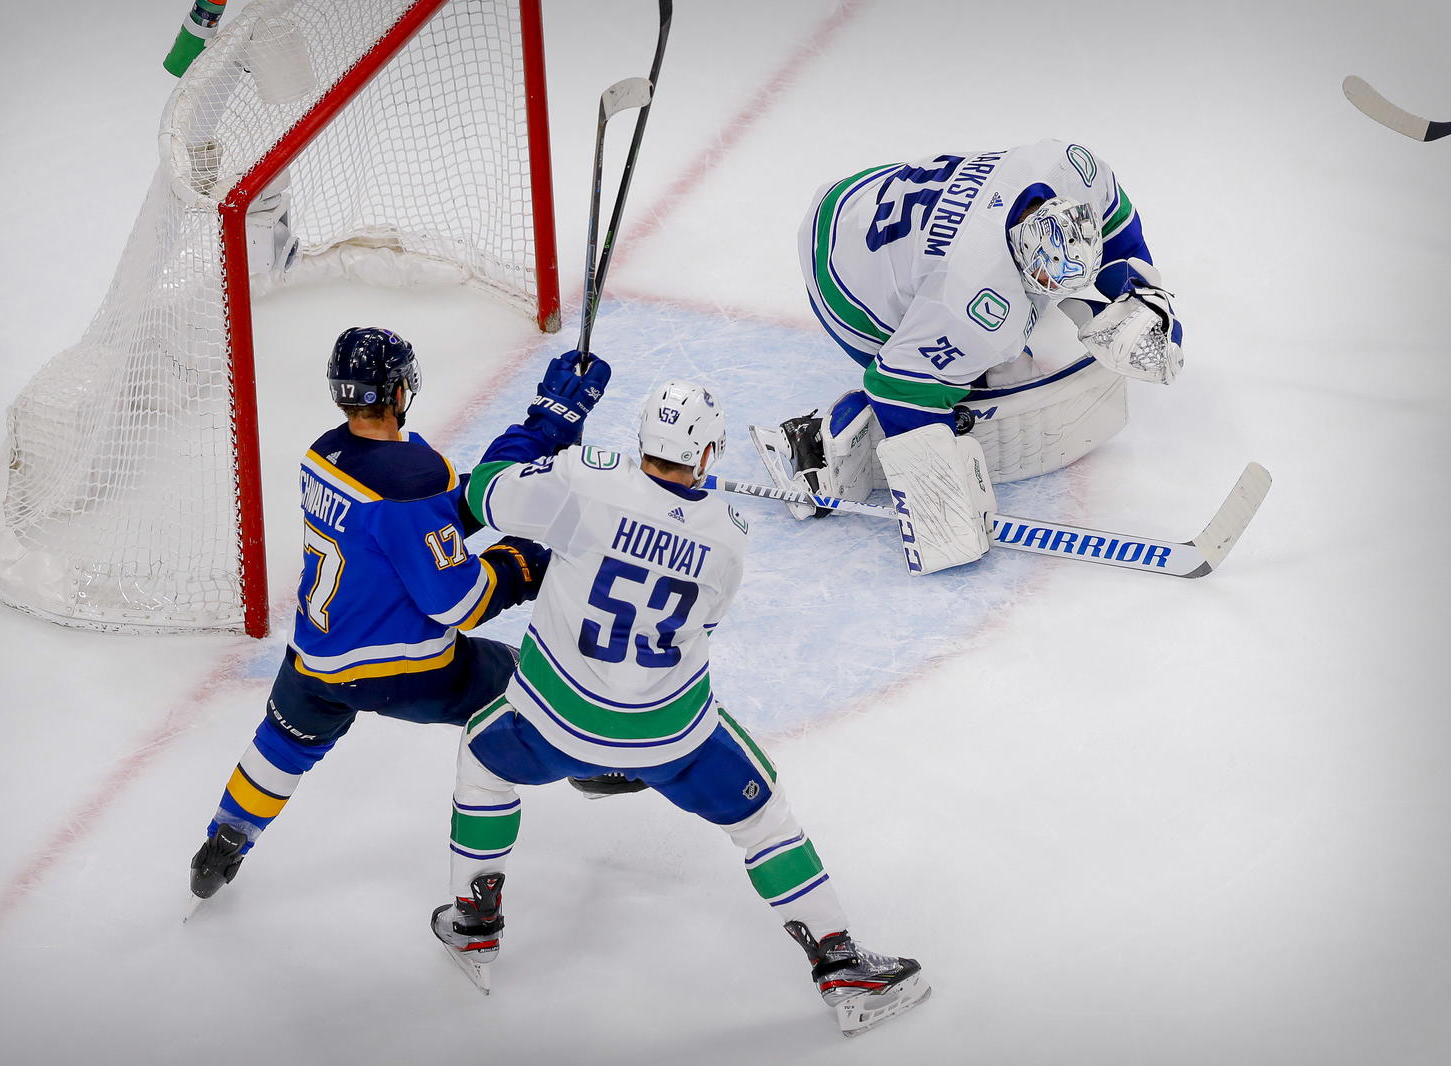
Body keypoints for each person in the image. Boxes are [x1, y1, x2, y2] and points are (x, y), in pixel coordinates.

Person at [429, 378, 932, 1037]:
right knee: (764, 819)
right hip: (670, 737)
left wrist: (548, 426)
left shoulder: (584, 480)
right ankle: (839, 964)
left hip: (555, 724)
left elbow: (481, 489)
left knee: (482, 760)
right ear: (708, 454)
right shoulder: (730, 535)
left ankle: (474, 922)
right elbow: (704, 624)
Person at [187, 328, 610, 904]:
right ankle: (597, 758)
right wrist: (529, 560)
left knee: (282, 746)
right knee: (536, 684)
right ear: (397, 388)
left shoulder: (326, 453)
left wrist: (545, 427)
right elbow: (461, 602)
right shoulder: (411, 478)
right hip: (408, 673)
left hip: (315, 660)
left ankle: (225, 839)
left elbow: (433, 517)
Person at [760, 138, 1185, 575]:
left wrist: (1142, 295)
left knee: (1002, 338)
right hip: (842, 275)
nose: (1049, 291)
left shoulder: (1071, 167)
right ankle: (821, 442)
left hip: (860, 194)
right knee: (996, 375)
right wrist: (941, 506)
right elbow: (896, 389)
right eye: (1041, 278)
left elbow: (1117, 230)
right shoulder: (968, 294)